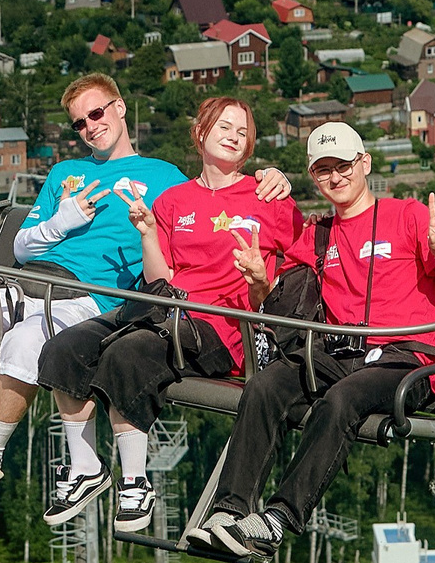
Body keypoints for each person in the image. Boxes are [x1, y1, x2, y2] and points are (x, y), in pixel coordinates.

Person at [0, 73, 290, 507]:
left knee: (26, 344)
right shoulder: (64, 173)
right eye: (79, 123)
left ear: (119, 107)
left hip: (87, 298)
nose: (90, 127)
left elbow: (212, 193)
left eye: (96, 113)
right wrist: (62, 220)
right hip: (27, 281)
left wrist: (272, 176)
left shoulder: (163, 177)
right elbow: (21, 246)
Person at [182, 120, 435, 561]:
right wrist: (261, 281)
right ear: (314, 176)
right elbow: (275, 301)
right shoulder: (319, 234)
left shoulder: (408, 217)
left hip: (403, 360)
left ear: (364, 164)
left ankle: (277, 519)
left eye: (343, 166)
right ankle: (230, 510)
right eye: (324, 170)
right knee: (265, 385)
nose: (336, 177)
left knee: (341, 400)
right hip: (337, 353)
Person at [34, 95, 309, 533]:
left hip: (221, 327)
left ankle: (134, 483)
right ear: (200, 133)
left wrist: (280, 186)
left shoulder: (265, 197)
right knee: (64, 347)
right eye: (224, 127)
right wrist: (147, 234)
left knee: (129, 352)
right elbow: (158, 278)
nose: (234, 137)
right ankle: (85, 467)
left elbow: (306, 262)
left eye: (242, 132)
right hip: (166, 309)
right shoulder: (174, 200)